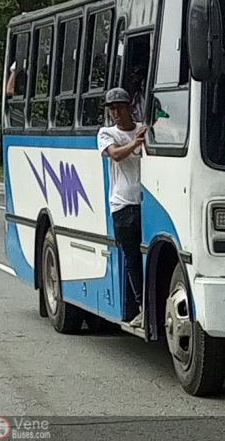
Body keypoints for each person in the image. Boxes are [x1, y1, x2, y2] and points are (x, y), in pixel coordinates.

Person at [97, 87, 147, 328]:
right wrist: (136, 143)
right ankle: (141, 308)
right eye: (111, 108)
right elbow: (115, 155)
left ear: (129, 107)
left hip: (147, 204)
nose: (115, 112)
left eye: (119, 106)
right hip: (123, 206)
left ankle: (150, 306)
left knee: (149, 256)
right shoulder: (106, 134)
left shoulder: (143, 128)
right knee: (132, 258)